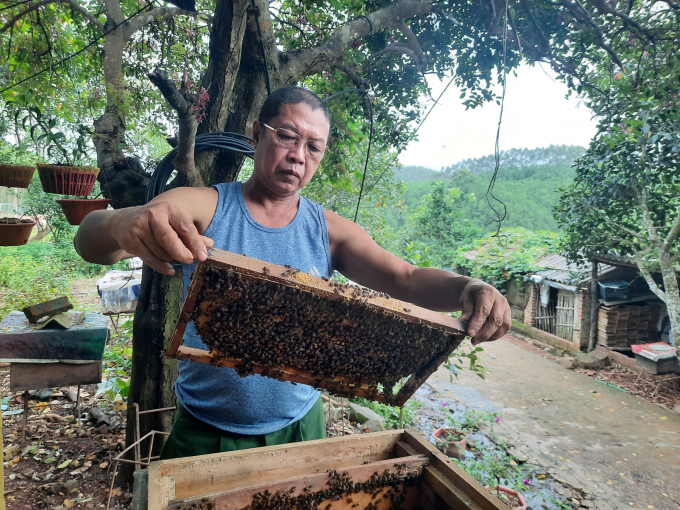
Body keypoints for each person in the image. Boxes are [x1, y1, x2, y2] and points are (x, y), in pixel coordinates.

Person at [74, 86, 511, 460]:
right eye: (287, 136)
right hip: (206, 430)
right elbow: (92, 238)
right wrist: (118, 222)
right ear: (256, 136)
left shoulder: (329, 230)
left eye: (314, 146)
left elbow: (406, 280)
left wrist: (468, 287)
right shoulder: (206, 205)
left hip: (302, 428)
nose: (299, 155)